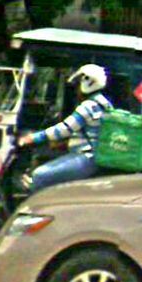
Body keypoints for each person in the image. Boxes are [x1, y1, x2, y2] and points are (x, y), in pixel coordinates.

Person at [18, 64, 113, 192]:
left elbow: (64, 129)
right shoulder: (104, 104)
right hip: (94, 157)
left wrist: (33, 137)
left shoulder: (88, 106)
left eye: (78, 85)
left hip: (86, 158)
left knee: (39, 175)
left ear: (87, 83)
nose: (76, 90)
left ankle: (37, 204)